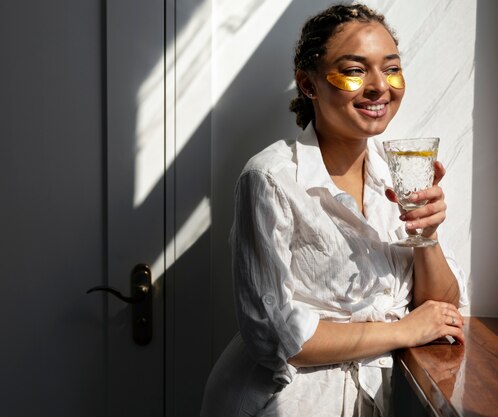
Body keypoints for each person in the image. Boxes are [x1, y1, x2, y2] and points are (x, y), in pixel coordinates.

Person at [199, 3, 468, 417]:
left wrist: (426, 236)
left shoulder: (400, 171)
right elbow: (275, 336)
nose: (380, 86)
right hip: (285, 402)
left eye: (391, 68)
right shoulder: (269, 178)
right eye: (355, 70)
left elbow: (440, 311)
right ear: (308, 84)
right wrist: (401, 331)